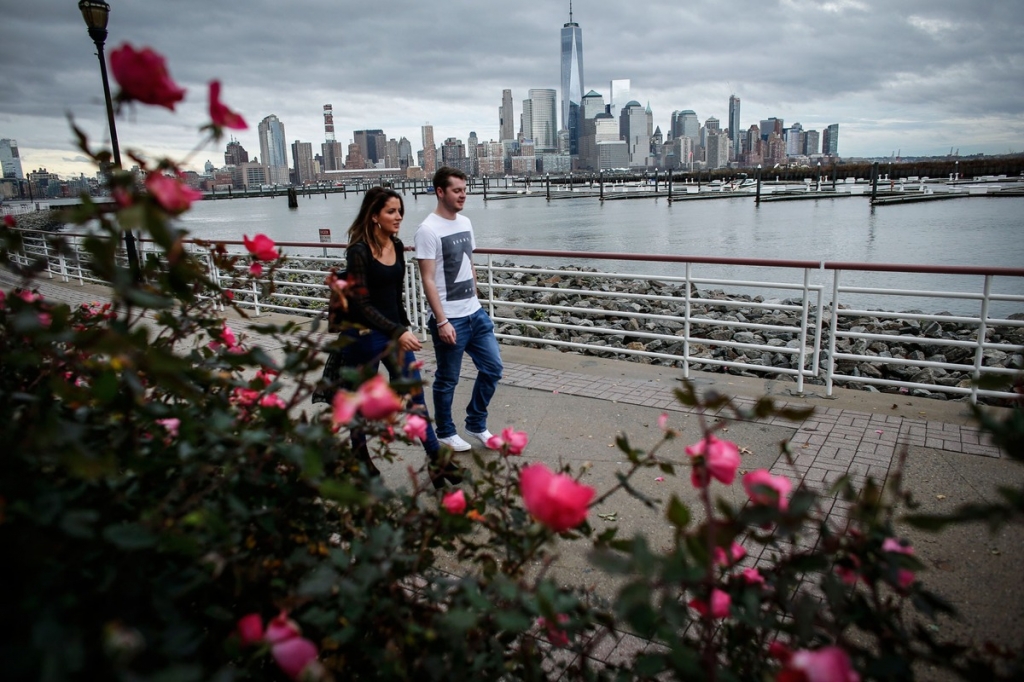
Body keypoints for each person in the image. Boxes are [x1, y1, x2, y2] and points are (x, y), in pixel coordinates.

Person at [314, 186, 461, 488]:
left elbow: (396, 295)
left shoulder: (396, 244)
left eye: (400, 211)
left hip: (393, 333)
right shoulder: (358, 251)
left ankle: (436, 461)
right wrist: (398, 331)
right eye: (391, 211)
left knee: (415, 396)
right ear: (374, 216)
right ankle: (361, 463)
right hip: (363, 337)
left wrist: (403, 325)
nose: (398, 217)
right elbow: (361, 303)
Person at [414, 167, 503, 452]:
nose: (463, 195)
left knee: (493, 368)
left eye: (465, 190)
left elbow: (469, 264)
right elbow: (427, 278)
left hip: (474, 313)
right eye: (456, 190)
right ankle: (445, 432)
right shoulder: (427, 230)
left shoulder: (465, 222)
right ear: (440, 192)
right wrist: (441, 321)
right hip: (449, 318)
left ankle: (476, 423)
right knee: (447, 378)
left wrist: (476, 299)